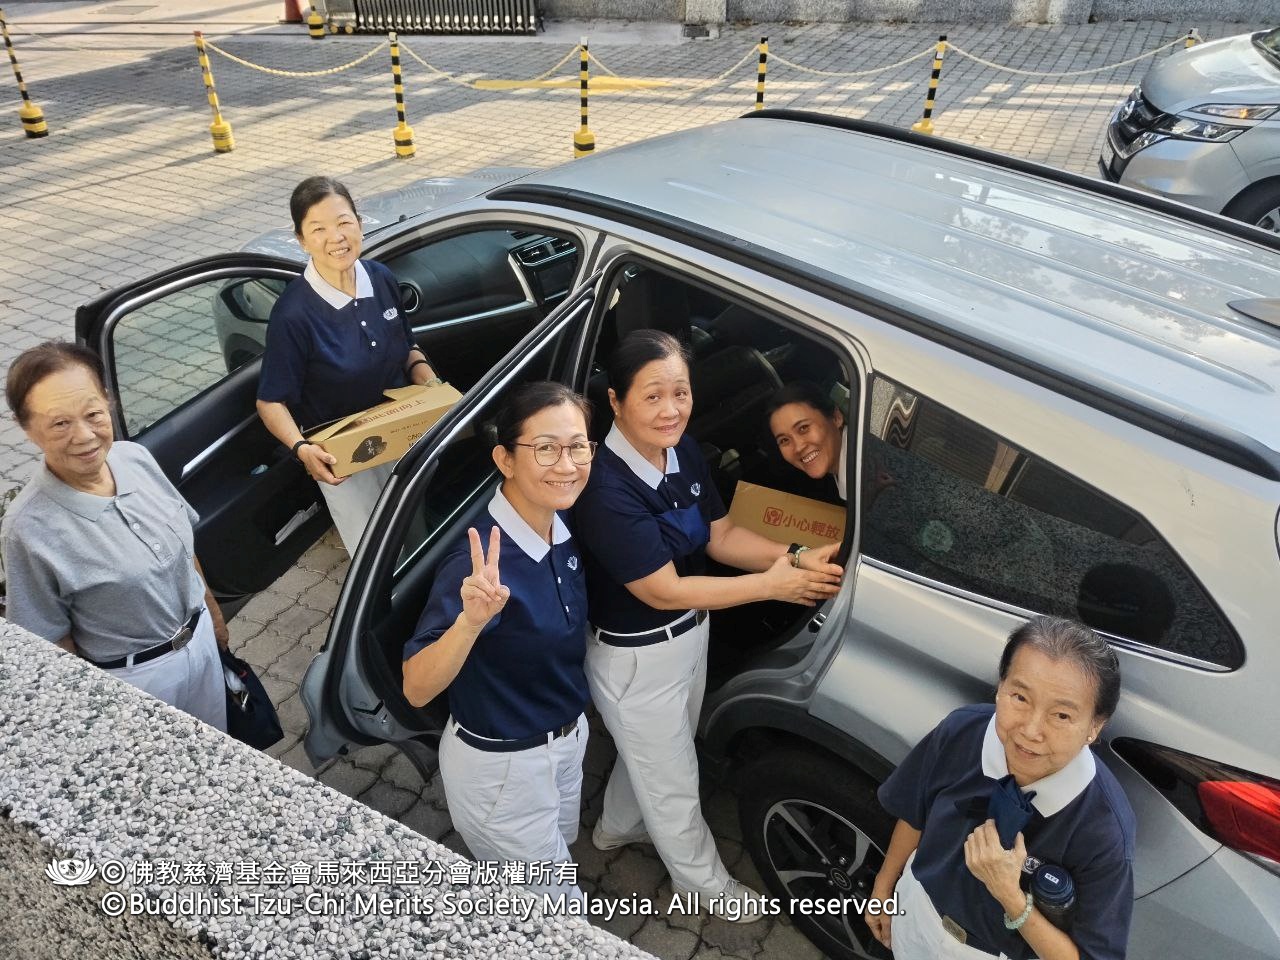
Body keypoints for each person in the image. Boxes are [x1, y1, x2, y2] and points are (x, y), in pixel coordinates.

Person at [573, 330, 844, 922]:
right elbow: (662, 589)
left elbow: (721, 536)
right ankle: (704, 885)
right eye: (652, 396)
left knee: (655, 755)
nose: (671, 409)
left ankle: (615, 827)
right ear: (616, 401)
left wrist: (794, 556)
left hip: (691, 635)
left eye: (681, 392)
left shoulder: (683, 450)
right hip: (637, 658)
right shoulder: (603, 488)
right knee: (674, 779)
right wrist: (772, 585)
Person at [402, 382, 595, 902]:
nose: (567, 464)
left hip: (566, 739)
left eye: (578, 446)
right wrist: (469, 623)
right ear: (504, 459)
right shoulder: (478, 565)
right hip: (505, 768)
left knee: (560, 854)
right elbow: (416, 687)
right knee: (556, 913)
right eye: (546, 448)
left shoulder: (559, 521)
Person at [867, 615, 1135, 960]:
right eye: (1020, 697)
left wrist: (1009, 894)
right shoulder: (962, 731)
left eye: (1061, 716)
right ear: (1000, 686)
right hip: (918, 911)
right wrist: (884, 887)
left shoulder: (1104, 828)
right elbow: (915, 812)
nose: (1031, 731)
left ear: (1095, 726)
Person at [2, 342, 228, 731]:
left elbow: (184, 548)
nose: (84, 436)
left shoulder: (133, 457)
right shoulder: (28, 527)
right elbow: (50, 642)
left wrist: (215, 618)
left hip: (202, 640)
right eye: (60, 423)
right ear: (27, 429)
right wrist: (94, 714)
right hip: (136, 682)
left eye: (93, 413)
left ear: (108, 401)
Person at [256, 175, 440, 555]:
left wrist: (432, 388)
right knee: (375, 553)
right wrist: (302, 449)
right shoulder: (293, 315)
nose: (336, 237)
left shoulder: (380, 278)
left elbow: (407, 346)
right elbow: (270, 402)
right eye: (318, 229)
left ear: (359, 222)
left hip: (403, 430)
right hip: (346, 454)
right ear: (302, 240)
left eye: (343, 222)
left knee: (415, 533)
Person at [765, 380, 848, 501]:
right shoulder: (848, 471)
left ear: (836, 418)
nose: (798, 447)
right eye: (784, 440)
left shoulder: (868, 468)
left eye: (803, 428)